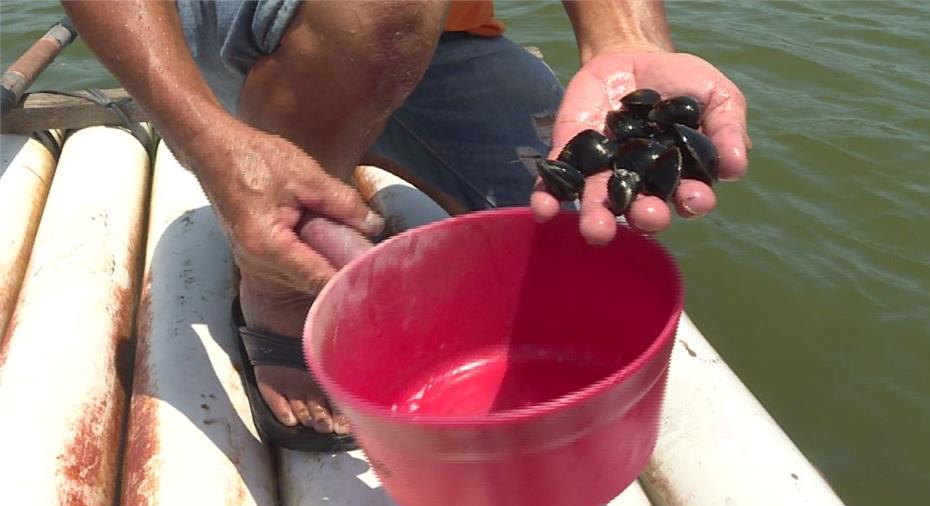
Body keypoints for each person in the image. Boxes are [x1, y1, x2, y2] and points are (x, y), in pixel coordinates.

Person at [62, 0, 750, 451]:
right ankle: (277, 286)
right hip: (263, 17)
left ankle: (354, 114)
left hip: (439, 27)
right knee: (384, 14)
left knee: (579, 236)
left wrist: (622, 37)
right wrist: (208, 143)